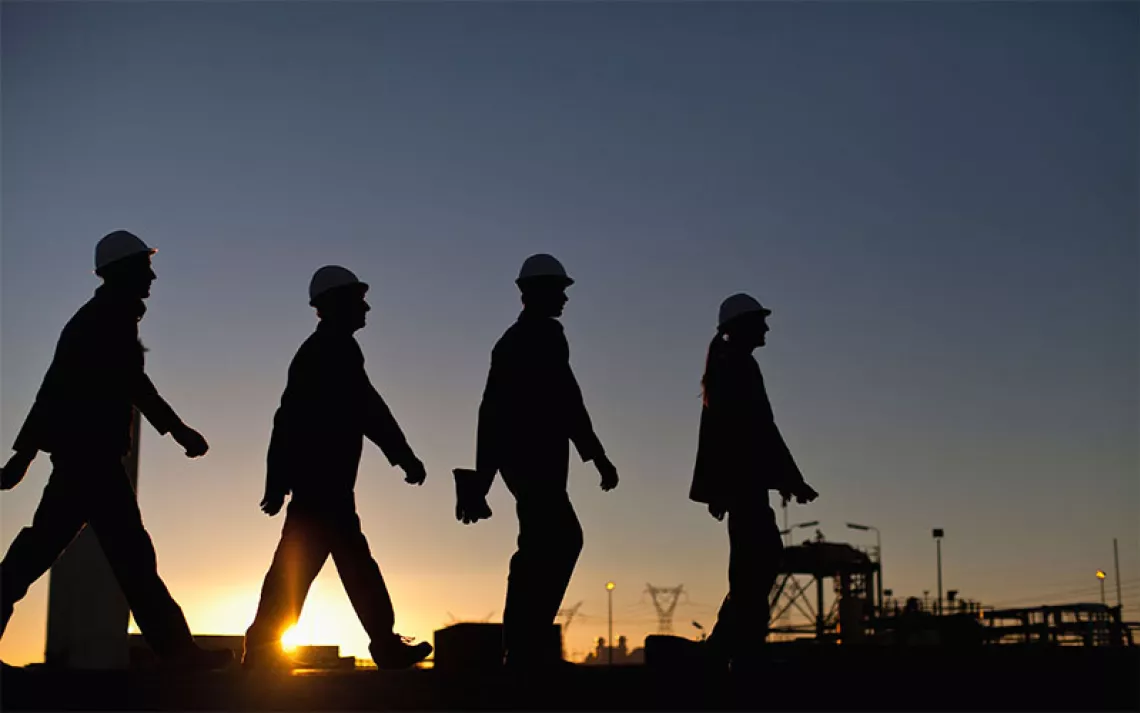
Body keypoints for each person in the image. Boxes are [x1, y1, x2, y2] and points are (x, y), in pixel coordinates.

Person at [0, 230, 232, 670]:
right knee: (124, 557)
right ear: (121, 272)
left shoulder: (106, 318)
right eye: (145, 268)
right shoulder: (104, 320)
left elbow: (58, 388)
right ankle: (178, 651)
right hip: (89, 461)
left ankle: (177, 650)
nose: (153, 276)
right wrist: (179, 430)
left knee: (58, 552)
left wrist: (23, 456)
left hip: (88, 459)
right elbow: (108, 385)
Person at [242, 266, 431, 671]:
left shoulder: (332, 350)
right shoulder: (328, 352)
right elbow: (352, 411)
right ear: (335, 305)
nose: (366, 306)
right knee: (326, 567)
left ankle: (265, 648)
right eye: (357, 299)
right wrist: (404, 457)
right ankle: (378, 644)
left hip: (326, 485)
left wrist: (278, 482)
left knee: (322, 565)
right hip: (321, 486)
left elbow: (359, 408)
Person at [461, 254, 619, 669]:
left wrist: (484, 479)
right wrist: (597, 455)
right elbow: (560, 400)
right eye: (559, 290)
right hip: (532, 460)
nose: (565, 298)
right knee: (557, 540)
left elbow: (497, 410)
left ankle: (522, 646)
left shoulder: (522, 339)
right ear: (535, 293)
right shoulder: (535, 338)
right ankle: (524, 648)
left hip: (527, 460)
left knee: (541, 545)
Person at [690, 293, 819, 669]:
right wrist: (791, 479)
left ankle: (731, 648)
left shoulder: (728, 366)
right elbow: (759, 429)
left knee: (752, 566)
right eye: (759, 321)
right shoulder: (739, 367)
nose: (766, 327)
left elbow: (735, 433)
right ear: (741, 327)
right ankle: (732, 650)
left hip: (740, 484)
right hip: (745, 485)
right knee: (758, 564)